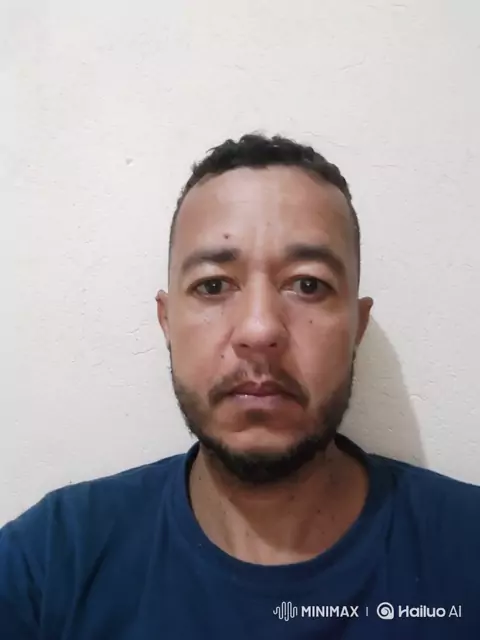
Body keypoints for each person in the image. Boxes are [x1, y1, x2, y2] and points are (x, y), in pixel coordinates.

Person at [1, 133, 479, 639]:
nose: (259, 330)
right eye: (213, 285)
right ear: (167, 321)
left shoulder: (466, 551)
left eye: (308, 284)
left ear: (357, 328)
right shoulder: (50, 565)